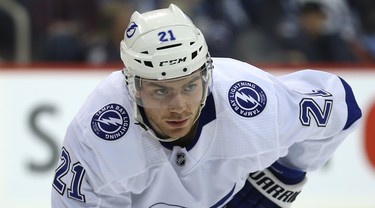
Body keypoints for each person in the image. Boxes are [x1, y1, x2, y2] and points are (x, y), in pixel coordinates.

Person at [51, 4, 362, 208]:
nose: (179, 106)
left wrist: (279, 181)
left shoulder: (247, 101)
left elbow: (340, 106)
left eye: (190, 86)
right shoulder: (102, 134)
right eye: (160, 91)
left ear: (207, 74)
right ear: (132, 87)